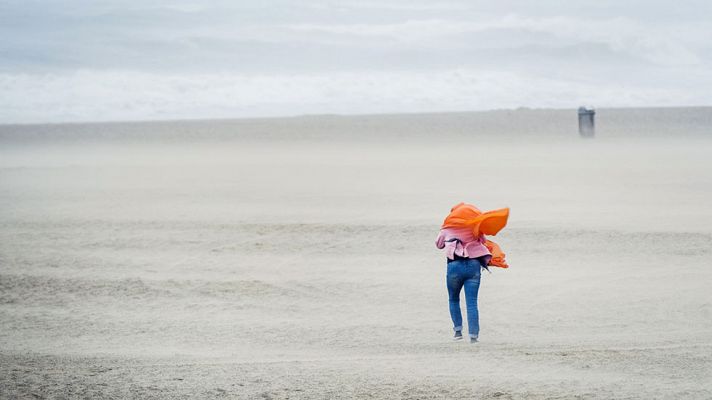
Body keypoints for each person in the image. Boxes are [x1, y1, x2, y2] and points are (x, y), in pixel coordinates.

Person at [435, 203, 509, 343]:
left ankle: (458, 332)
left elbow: (439, 245)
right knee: (472, 303)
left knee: (453, 299)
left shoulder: (447, 229)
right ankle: (474, 337)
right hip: (473, 266)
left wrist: (445, 231)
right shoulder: (473, 227)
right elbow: (483, 241)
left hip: (454, 266)